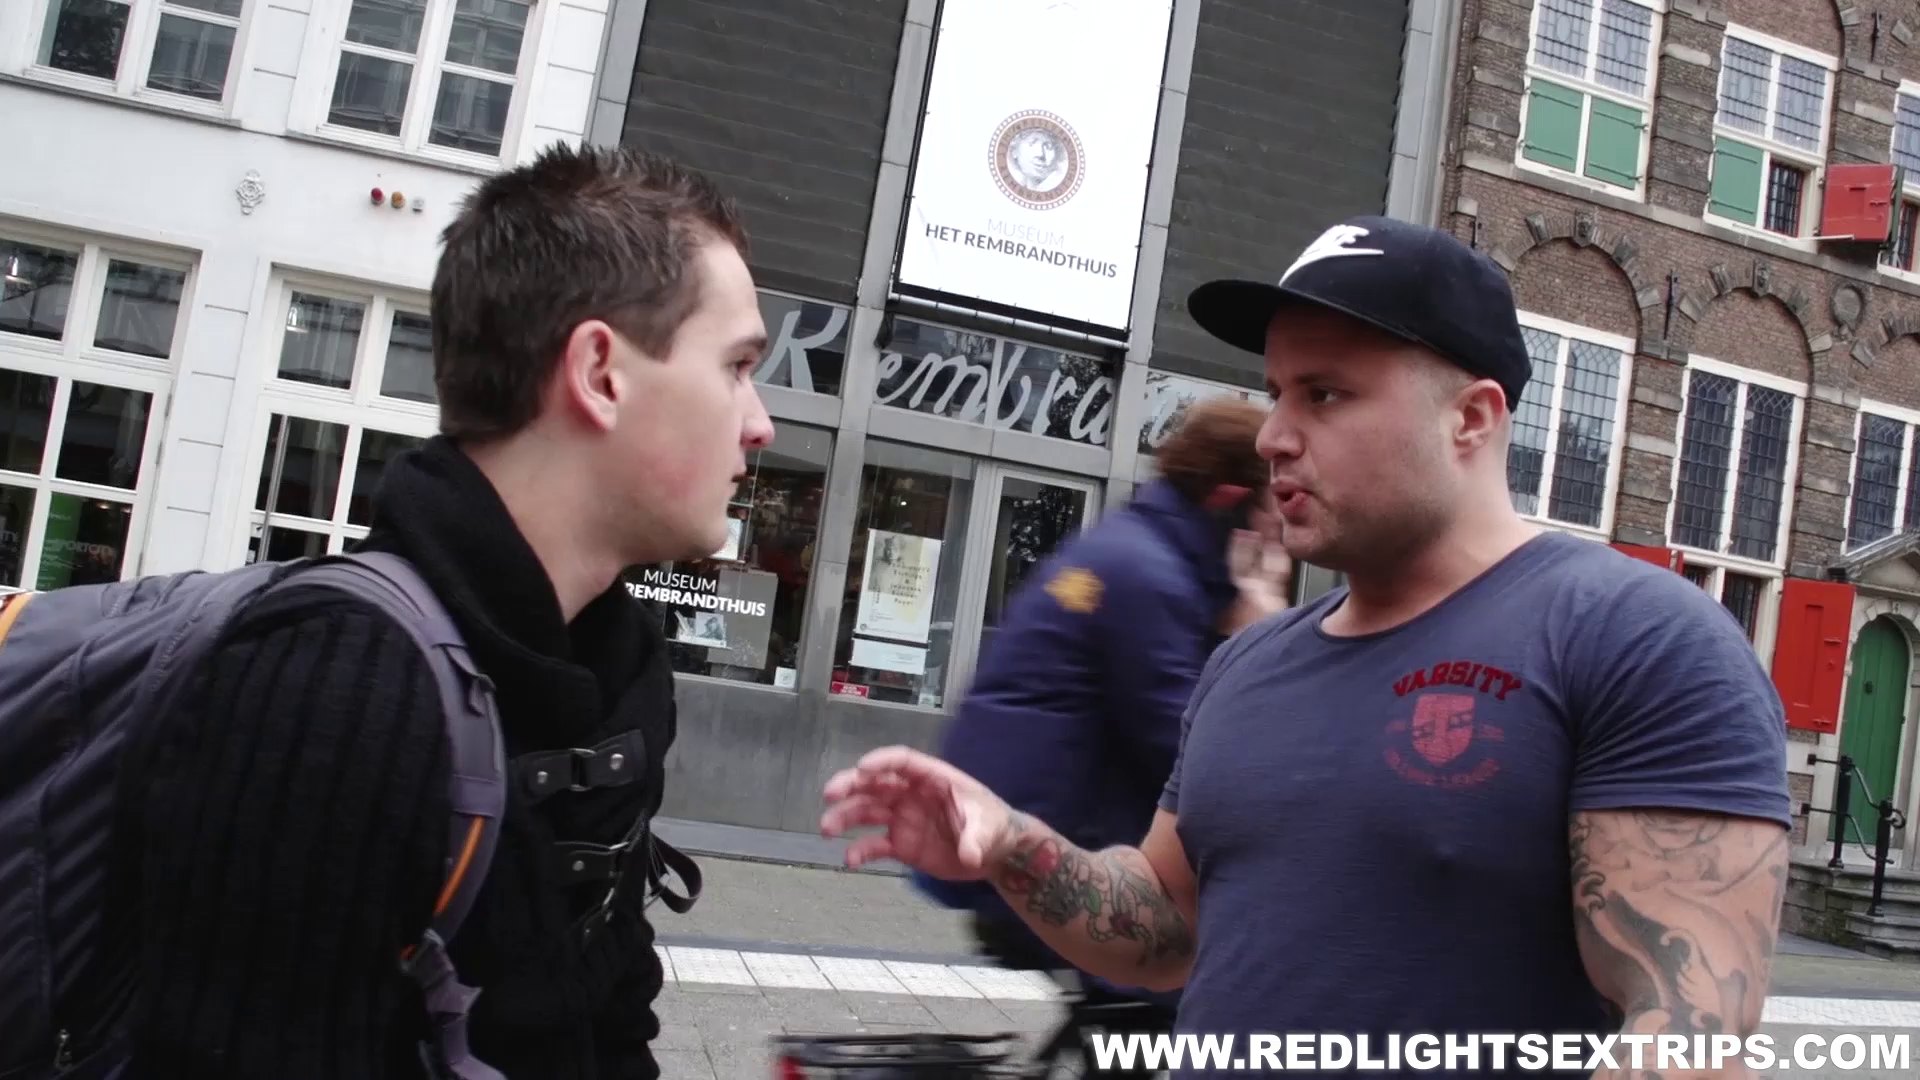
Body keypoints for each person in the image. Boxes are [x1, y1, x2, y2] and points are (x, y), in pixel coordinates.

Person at [822, 215, 1791, 1079]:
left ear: (1472, 418)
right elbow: (1164, 925)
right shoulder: (1247, 663)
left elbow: (1688, 1026)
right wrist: (1010, 843)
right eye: (1276, 392)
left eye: (1324, 395)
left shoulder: (1639, 640)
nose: (1274, 436)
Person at [111, 145, 774, 1078]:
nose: (760, 423)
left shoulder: (620, 664)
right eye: (737, 366)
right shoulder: (324, 688)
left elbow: (613, 1013)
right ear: (600, 373)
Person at [911, 397, 1289, 1031]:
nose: (1279, 538)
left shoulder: (1137, 551)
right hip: (1049, 854)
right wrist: (1256, 642)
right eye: (1270, 515)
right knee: (1193, 990)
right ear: (1231, 502)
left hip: (1031, 833)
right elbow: (1193, 753)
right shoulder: (1151, 578)